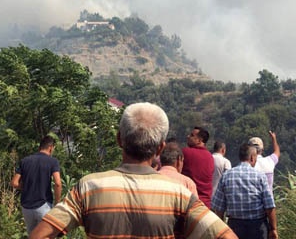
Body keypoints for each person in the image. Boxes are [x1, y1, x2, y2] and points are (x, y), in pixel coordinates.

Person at [29, 102, 236, 239]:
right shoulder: (180, 194)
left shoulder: (89, 187)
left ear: (119, 139)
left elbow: (40, 234)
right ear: (160, 148)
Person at [211, 143, 277, 239]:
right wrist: (273, 229)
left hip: (234, 226)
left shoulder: (227, 175)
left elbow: (219, 208)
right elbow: (269, 206)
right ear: (252, 158)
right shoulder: (260, 176)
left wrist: (220, 231)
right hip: (257, 227)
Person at [12, 135, 62, 235]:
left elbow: (14, 183)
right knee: (47, 235)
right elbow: (57, 183)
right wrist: (57, 202)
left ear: (40, 147)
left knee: (33, 236)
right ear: (51, 148)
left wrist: (25, 187)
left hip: (26, 206)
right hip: (44, 205)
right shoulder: (53, 162)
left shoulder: (25, 161)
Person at [182, 126, 215, 207]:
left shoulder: (186, 152)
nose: (188, 136)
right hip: (206, 203)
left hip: (189, 201)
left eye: (192, 135)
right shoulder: (210, 157)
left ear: (199, 140)